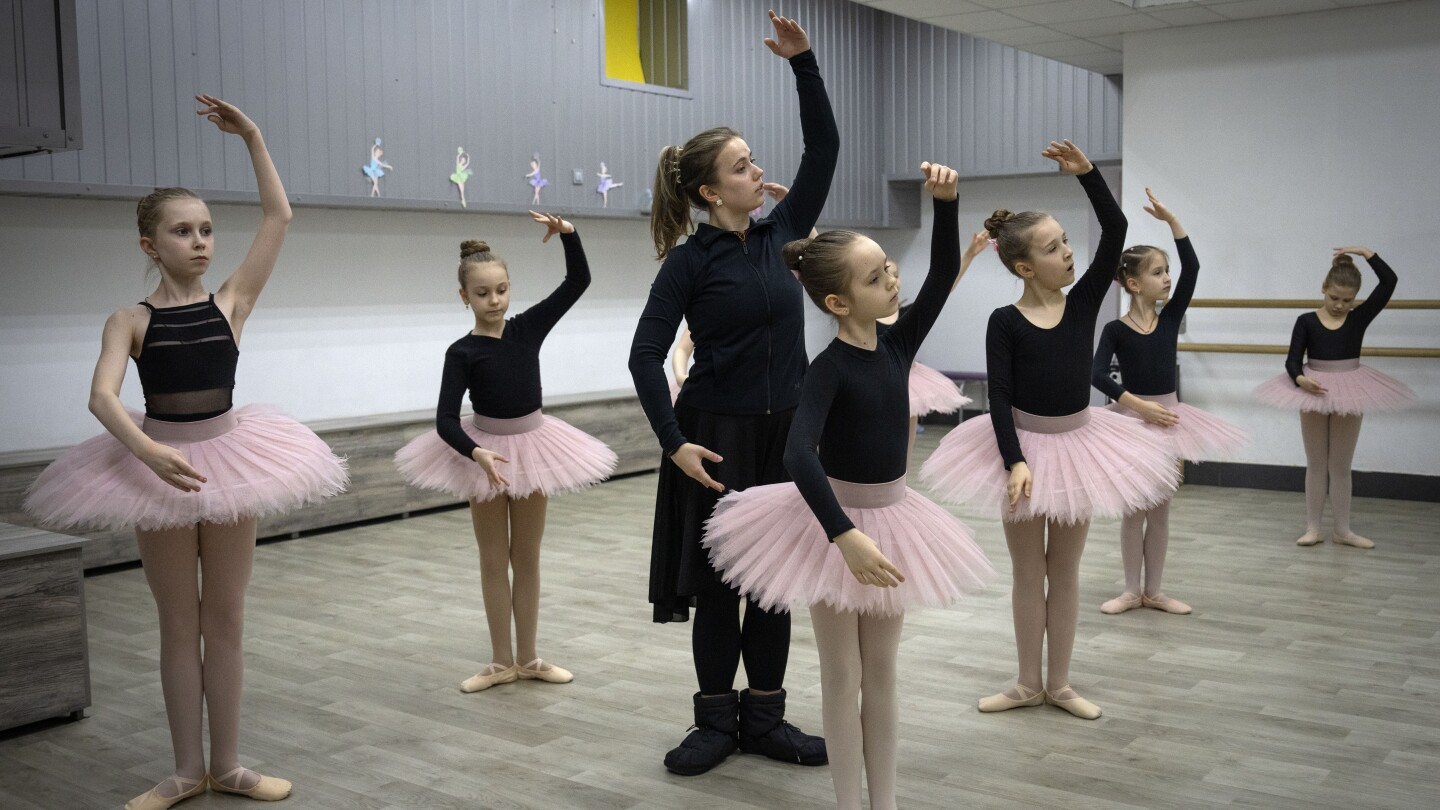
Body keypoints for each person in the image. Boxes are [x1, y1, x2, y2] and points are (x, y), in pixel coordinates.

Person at [24, 96, 346, 810]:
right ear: (150, 245)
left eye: (205, 229)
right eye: (182, 231)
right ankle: (182, 770)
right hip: (156, 467)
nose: (199, 241)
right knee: (178, 621)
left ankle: (227, 765)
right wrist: (146, 453)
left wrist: (254, 137)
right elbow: (102, 397)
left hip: (230, 461)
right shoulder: (129, 319)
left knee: (225, 617)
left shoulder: (231, 303)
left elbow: (278, 219)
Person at [704, 162, 992, 810]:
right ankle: (846, 803)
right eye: (875, 275)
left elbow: (944, 276)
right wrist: (844, 537)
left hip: (892, 521)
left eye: (888, 265)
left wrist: (946, 205)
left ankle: (883, 803)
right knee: (843, 673)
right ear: (838, 302)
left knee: (883, 672)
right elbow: (797, 454)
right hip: (829, 527)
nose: (892, 277)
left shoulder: (897, 346)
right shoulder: (828, 369)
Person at [628, 9, 839, 776]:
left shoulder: (786, 235)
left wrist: (803, 64)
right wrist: (674, 443)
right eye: (744, 166)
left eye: (755, 162)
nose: (759, 171)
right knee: (720, 591)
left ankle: (768, 720)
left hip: (784, 435)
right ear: (714, 190)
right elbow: (645, 356)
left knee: (774, 589)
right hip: (713, 436)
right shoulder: (688, 263)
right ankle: (715, 724)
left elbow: (826, 149)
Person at [921, 141, 1177, 721]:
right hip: (1021, 452)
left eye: (1066, 242)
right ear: (1023, 267)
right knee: (1027, 572)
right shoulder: (1005, 321)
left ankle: (1059, 684)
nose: (1068, 253)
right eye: (1054, 247)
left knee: (1064, 571)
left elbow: (1114, 229)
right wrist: (1014, 460)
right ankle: (1025, 682)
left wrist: (1087, 174)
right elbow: (1002, 398)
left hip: (1079, 447)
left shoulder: (1085, 300)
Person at [395, 212, 617, 692]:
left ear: (509, 288)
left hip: (534, 447)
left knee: (528, 556)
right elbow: (445, 420)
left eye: (501, 290)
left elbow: (578, 281)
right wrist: (475, 454)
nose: (493, 300)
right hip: (484, 454)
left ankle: (530, 656)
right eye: (482, 293)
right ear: (464, 297)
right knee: (493, 558)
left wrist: (570, 236)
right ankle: (500, 662)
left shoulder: (526, 329)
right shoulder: (462, 352)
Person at [1090, 188, 1247, 615]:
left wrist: (1172, 222)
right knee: (1132, 510)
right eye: (1159, 273)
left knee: (1159, 509)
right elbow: (1096, 373)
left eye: (1166, 271)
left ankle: (1154, 591)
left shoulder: (1171, 317)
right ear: (1134, 283)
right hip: (1132, 419)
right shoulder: (1115, 330)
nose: (1168, 278)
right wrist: (1137, 405)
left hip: (1169, 419)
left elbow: (1193, 267)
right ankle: (1129, 590)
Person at [1253, 247, 1413, 548]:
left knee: (1341, 464)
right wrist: (1301, 379)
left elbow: (1389, 282)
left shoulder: (1359, 318)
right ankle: (1313, 527)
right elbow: (1291, 360)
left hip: (1350, 387)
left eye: (1347, 300)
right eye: (1334, 298)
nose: (1340, 305)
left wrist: (1369, 254)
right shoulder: (1306, 321)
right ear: (1323, 289)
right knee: (1316, 462)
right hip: (1313, 388)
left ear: (1355, 299)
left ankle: (1343, 529)